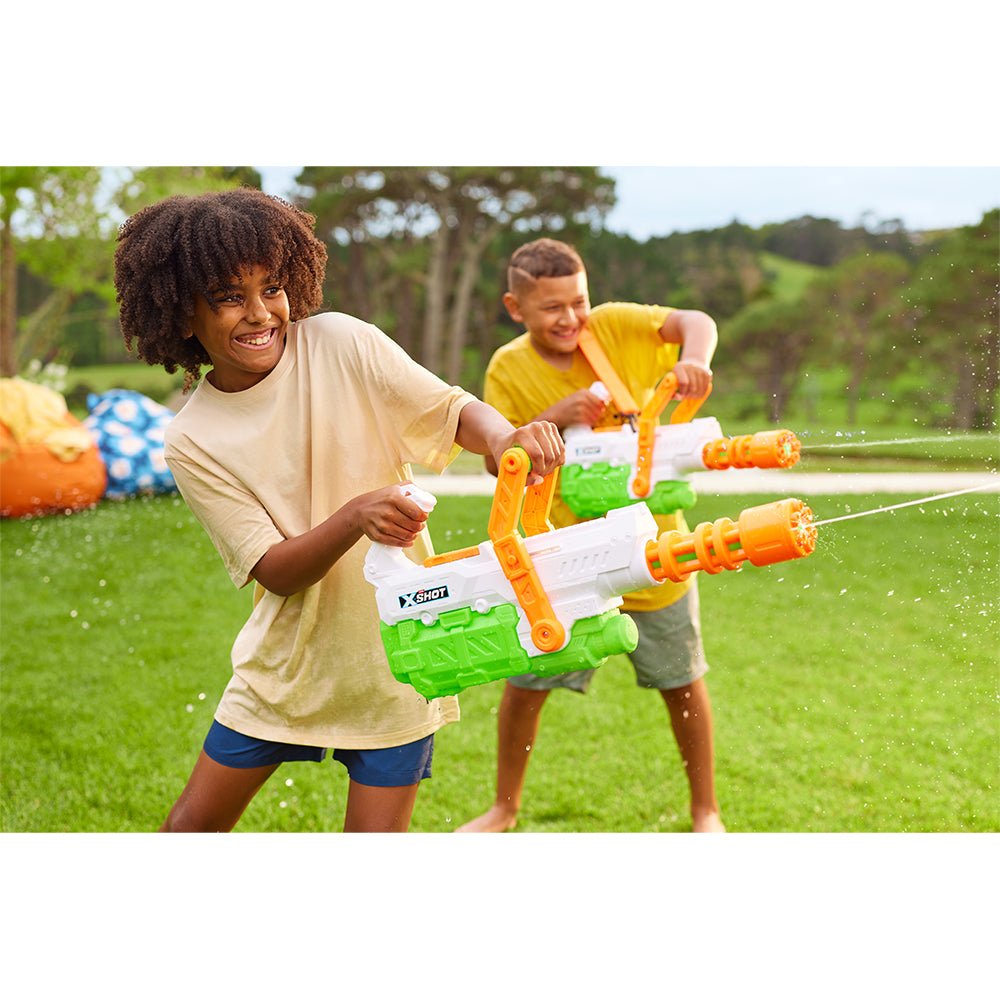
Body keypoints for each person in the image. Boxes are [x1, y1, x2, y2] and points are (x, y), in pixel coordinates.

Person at [113, 188, 563, 833]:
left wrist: (504, 437)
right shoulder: (193, 437)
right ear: (182, 314)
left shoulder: (342, 343)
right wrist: (355, 517)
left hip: (397, 659)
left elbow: (451, 410)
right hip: (283, 672)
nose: (259, 313)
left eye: (271, 288)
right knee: (189, 831)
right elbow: (276, 570)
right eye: (229, 297)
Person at [457, 237, 725, 834]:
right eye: (551, 307)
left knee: (682, 683)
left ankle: (706, 811)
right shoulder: (507, 367)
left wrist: (695, 359)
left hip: (656, 550)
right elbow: (493, 463)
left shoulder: (617, 325)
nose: (571, 318)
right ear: (515, 307)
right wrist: (554, 416)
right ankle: (504, 808)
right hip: (563, 558)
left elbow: (696, 321)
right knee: (526, 687)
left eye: (578, 301)